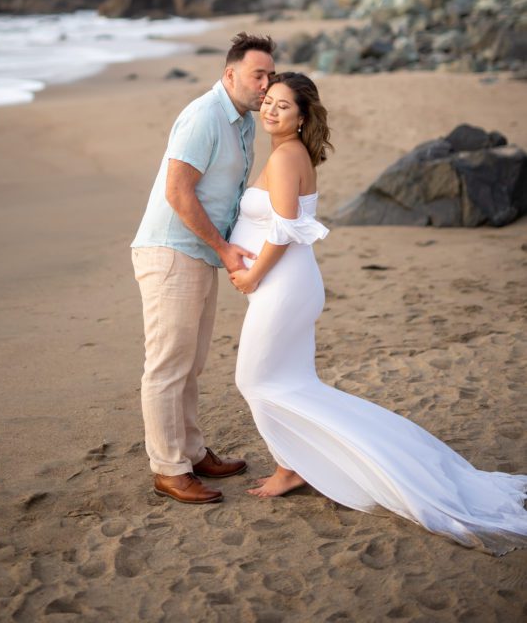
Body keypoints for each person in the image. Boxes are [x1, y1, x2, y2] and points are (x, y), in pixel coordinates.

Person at [230, 71, 527, 553]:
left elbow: (284, 229)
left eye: (282, 106)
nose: (270, 110)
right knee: (294, 384)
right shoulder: (290, 152)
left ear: (302, 116)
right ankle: (292, 465)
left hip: (281, 284)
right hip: (291, 284)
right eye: (268, 102)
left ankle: (293, 466)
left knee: (257, 382)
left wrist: (252, 275)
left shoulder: (287, 156)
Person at [131, 32, 276, 504]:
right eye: (258, 75)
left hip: (201, 253)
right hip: (172, 251)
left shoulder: (242, 123)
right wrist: (224, 248)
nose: (266, 84)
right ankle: (168, 469)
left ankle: (192, 452)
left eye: (271, 75)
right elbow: (178, 193)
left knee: (190, 363)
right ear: (229, 74)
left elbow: (227, 198)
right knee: (168, 365)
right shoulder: (204, 116)